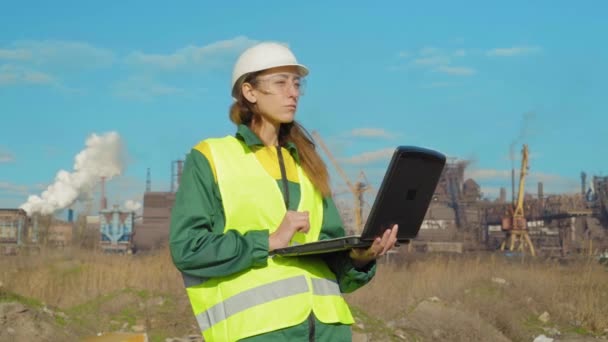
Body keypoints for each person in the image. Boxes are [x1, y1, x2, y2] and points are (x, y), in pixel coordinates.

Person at [169, 41, 399, 342]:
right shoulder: (211, 157)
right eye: (280, 83)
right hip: (258, 333)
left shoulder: (308, 164)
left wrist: (362, 257)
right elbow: (187, 248)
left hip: (330, 332)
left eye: (297, 84)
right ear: (249, 92)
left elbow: (335, 268)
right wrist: (268, 241)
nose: (293, 93)